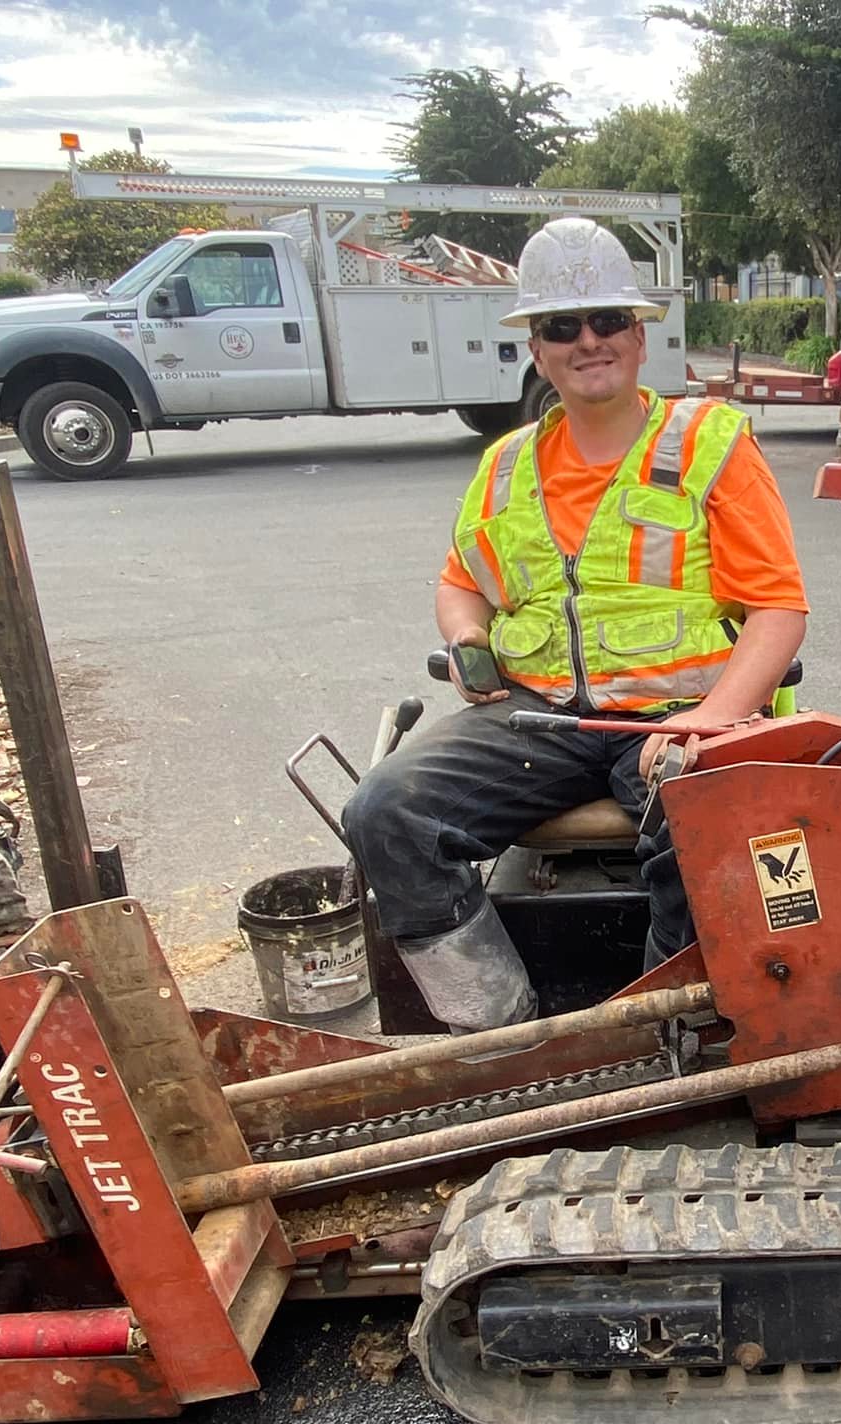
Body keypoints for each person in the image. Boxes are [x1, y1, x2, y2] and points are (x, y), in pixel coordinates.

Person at [343, 217, 809, 1032]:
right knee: (385, 812)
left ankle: (665, 1032)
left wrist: (717, 716)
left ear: (638, 335)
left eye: (606, 322)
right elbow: (461, 586)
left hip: (680, 720)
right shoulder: (508, 463)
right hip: (541, 718)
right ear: (536, 345)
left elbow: (778, 610)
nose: (587, 341)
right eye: (562, 326)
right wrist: (467, 640)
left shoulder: (708, 443)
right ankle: (498, 1031)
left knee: (706, 822)